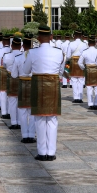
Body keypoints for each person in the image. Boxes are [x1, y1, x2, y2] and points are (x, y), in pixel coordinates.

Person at [28, 27, 65, 161]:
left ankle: (42, 152)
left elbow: (26, 70)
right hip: (53, 85)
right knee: (52, 119)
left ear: (38, 37)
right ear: (51, 37)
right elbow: (61, 71)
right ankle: (51, 152)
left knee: (39, 119)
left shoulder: (32, 53)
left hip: (38, 85)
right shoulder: (59, 52)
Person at [3, 38, 23, 126]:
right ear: (21, 46)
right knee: (20, 101)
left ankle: (13, 122)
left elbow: (3, 66)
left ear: (11, 46)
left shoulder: (6, 55)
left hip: (11, 78)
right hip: (21, 79)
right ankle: (19, 121)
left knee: (12, 101)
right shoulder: (23, 55)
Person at [78, 37, 97, 110]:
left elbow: (79, 62)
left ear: (88, 44)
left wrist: (83, 68)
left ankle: (90, 104)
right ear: (95, 43)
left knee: (89, 87)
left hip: (88, 69)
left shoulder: (85, 51)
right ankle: (96, 104)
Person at [67, 31, 87, 103]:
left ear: (74, 36)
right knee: (81, 80)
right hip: (81, 62)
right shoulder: (84, 44)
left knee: (74, 80)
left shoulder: (71, 44)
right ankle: (80, 97)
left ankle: (76, 97)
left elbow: (68, 56)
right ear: (81, 36)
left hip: (73, 62)